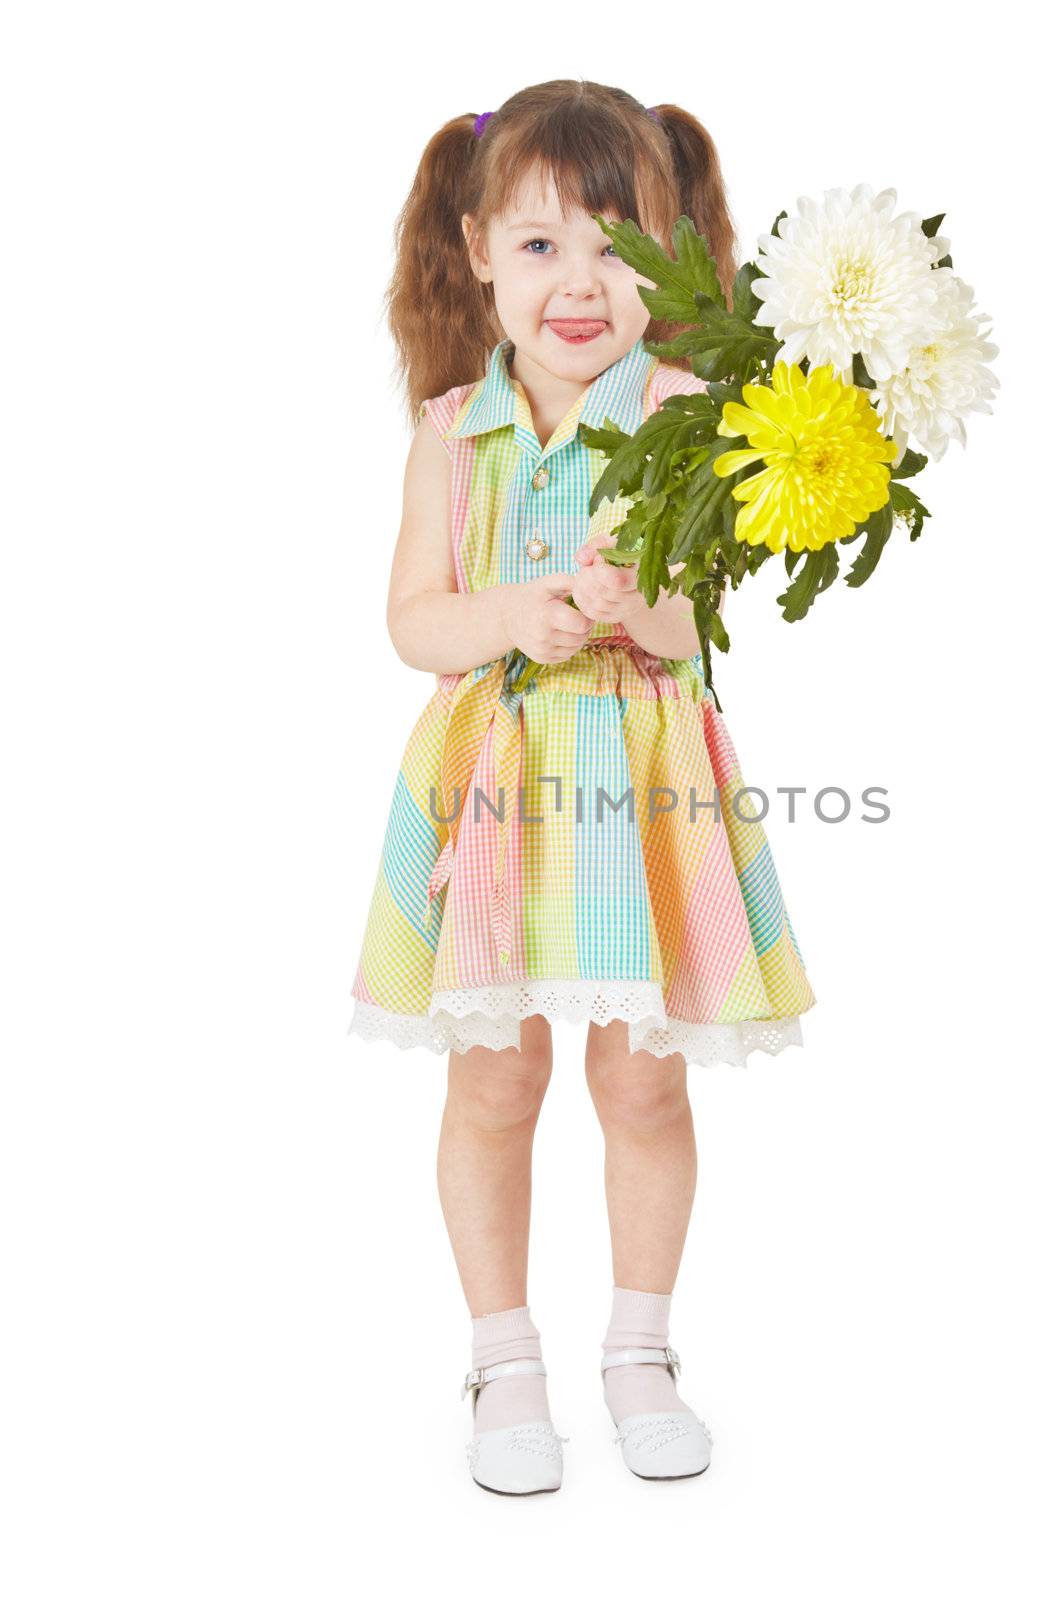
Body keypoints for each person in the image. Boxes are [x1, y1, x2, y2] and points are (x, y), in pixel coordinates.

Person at [347, 79, 816, 1495]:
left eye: (619, 246)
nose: (582, 282)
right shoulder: (453, 428)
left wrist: (634, 597)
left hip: (642, 792)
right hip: (498, 788)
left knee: (644, 1081)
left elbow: (695, 634)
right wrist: (512, 614)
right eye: (542, 245)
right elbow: (414, 622)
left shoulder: (691, 415)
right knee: (495, 1081)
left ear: (674, 260)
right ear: (478, 250)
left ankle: (639, 1350)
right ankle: (502, 1358)